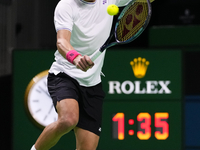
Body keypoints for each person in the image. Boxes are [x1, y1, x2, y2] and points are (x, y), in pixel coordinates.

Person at [31, 0, 131, 149]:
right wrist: (75, 57)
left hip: (92, 84)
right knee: (68, 120)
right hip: (65, 75)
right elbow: (62, 41)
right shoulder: (66, 5)